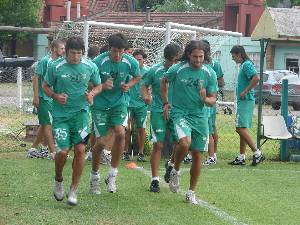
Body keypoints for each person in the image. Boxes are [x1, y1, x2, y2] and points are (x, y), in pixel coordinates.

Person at [43, 36, 102, 206]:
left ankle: (74, 189)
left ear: (82, 53)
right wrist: (55, 95)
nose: (75, 57)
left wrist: (91, 94)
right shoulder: (55, 66)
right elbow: (45, 86)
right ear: (66, 52)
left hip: (82, 114)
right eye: (72, 53)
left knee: (80, 149)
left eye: (79, 53)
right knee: (62, 152)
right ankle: (59, 180)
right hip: (61, 116)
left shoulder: (90, 66)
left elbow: (98, 85)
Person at [161, 40, 217, 204]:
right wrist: (165, 103)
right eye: (195, 56)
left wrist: (205, 99)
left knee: (198, 154)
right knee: (184, 143)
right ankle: (175, 171)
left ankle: (191, 192)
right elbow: (164, 81)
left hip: (200, 116)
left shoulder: (209, 73)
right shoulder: (178, 69)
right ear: (188, 55)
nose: (198, 60)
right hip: (180, 113)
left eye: (201, 56)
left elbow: (213, 99)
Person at [90, 33, 141, 194]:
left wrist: (129, 85)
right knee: (101, 143)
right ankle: (95, 177)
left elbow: (137, 76)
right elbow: (89, 80)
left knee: (120, 133)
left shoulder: (130, 61)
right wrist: (101, 85)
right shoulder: (98, 62)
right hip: (100, 105)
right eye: (114, 51)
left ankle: (112, 175)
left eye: (121, 51)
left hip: (120, 102)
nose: (117, 55)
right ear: (109, 49)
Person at [141, 43, 182, 193]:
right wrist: (146, 96)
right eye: (175, 61)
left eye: (179, 61)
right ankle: (154, 180)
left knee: (181, 142)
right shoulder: (155, 71)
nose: (177, 64)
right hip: (158, 111)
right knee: (158, 145)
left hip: (177, 112)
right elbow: (144, 85)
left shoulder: (182, 71)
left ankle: (171, 164)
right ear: (167, 59)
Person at [27, 39, 65, 160]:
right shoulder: (45, 61)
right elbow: (35, 78)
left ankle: (35, 149)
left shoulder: (59, 61)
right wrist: (36, 96)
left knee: (45, 124)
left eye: (64, 48)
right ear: (54, 48)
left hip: (52, 97)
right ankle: (53, 153)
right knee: (48, 124)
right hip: (43, 97)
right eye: (61, 48)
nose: (63, 50)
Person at [229, 45, 265, 166]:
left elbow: (256, 78)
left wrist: (245, 91)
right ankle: (241, 157)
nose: (233, 59)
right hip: (244, 101)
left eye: (233, 56)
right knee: (242, 128)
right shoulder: (244, 65)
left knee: (239, 128)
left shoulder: (247, 65)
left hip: (246, 100)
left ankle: (257, 153)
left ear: (239, 54)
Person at [123, 49, 150, 162]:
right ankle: (126, 152)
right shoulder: (129, 71)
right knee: (127, 128)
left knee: (141, 129)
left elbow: (151, 85)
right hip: (128, 103)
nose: (137, 61)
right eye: (135, 59)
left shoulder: (148, 71)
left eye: (139, 59)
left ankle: (141, 153)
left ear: (144, 60)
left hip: (141, 105)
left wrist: (147, 95)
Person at [202, 40, 225, 166]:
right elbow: (221, 82)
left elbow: (221, 81)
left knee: (209, 129)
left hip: (208, 101)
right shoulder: (211, 65)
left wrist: (213, 86)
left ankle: (212, 155)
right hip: (209, 101)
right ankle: (212, 155)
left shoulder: (211, 66)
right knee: (210, 128)